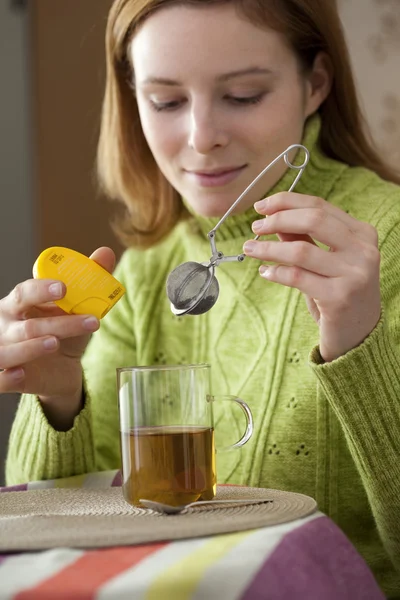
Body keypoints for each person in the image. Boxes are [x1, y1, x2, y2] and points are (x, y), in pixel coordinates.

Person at [1, 0, 399, 595]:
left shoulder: (384, 242)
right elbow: (57, 548)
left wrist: (362, 351)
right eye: (166, 101)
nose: (202, 137)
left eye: (242, 95)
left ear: (315, 84)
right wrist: (59, 399)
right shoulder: (142, 274)